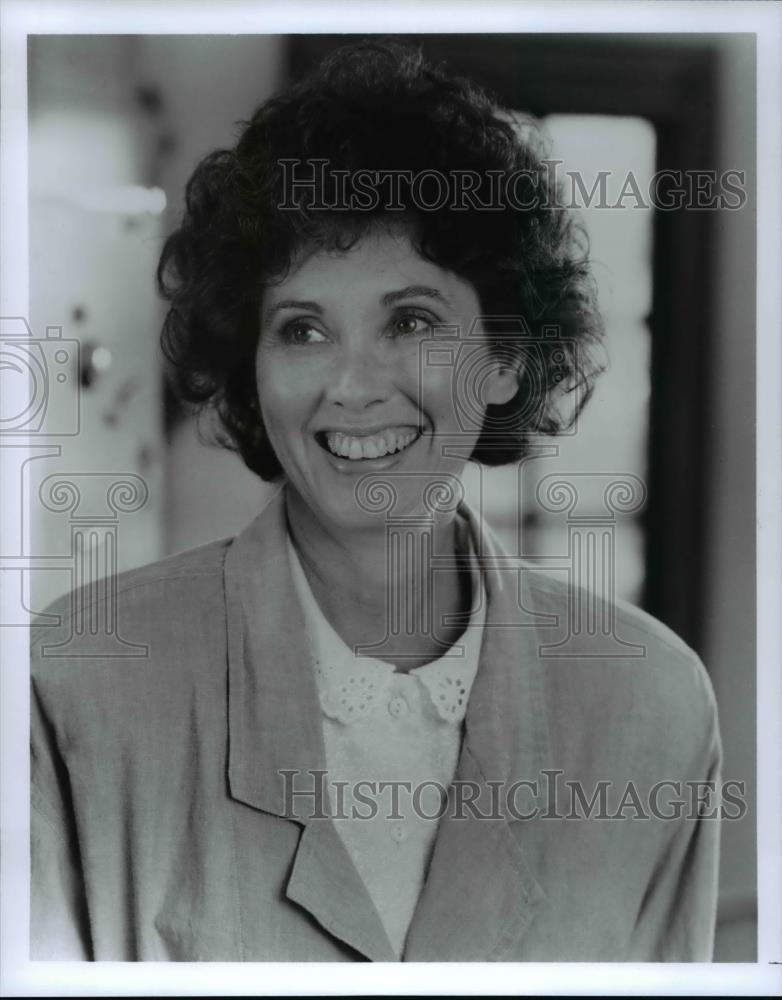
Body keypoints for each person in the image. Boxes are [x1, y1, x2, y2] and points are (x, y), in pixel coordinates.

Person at [30, 41, 722, 962]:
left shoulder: (652, 706)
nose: (353, 387)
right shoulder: (77, 685)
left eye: (411, 321)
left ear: (506, 357)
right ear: (251, 365)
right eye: (303, 329)